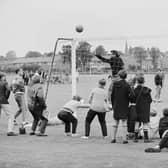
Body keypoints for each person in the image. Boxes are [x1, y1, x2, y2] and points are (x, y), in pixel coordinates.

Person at [110, 70, 134, 144]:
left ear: (119, 76)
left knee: (115, 122)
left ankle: (113, 138)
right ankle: (124, 139)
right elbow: (132, 95)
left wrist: (113, 104)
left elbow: (112, 95)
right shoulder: (127, 85)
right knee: (124, 123)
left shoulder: (115, 84)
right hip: (124, 105)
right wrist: (130, 100)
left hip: (116, 105)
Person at [134, 75, 153, 143]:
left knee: (136, 123)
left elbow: (132, 99)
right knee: (145, 123)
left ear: (137, 82)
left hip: (137, 108)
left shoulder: (135, 90)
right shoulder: (147, 90)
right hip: (145, 109)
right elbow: (150, 100)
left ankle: (135, 138)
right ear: (144, 82)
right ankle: (146, 138)